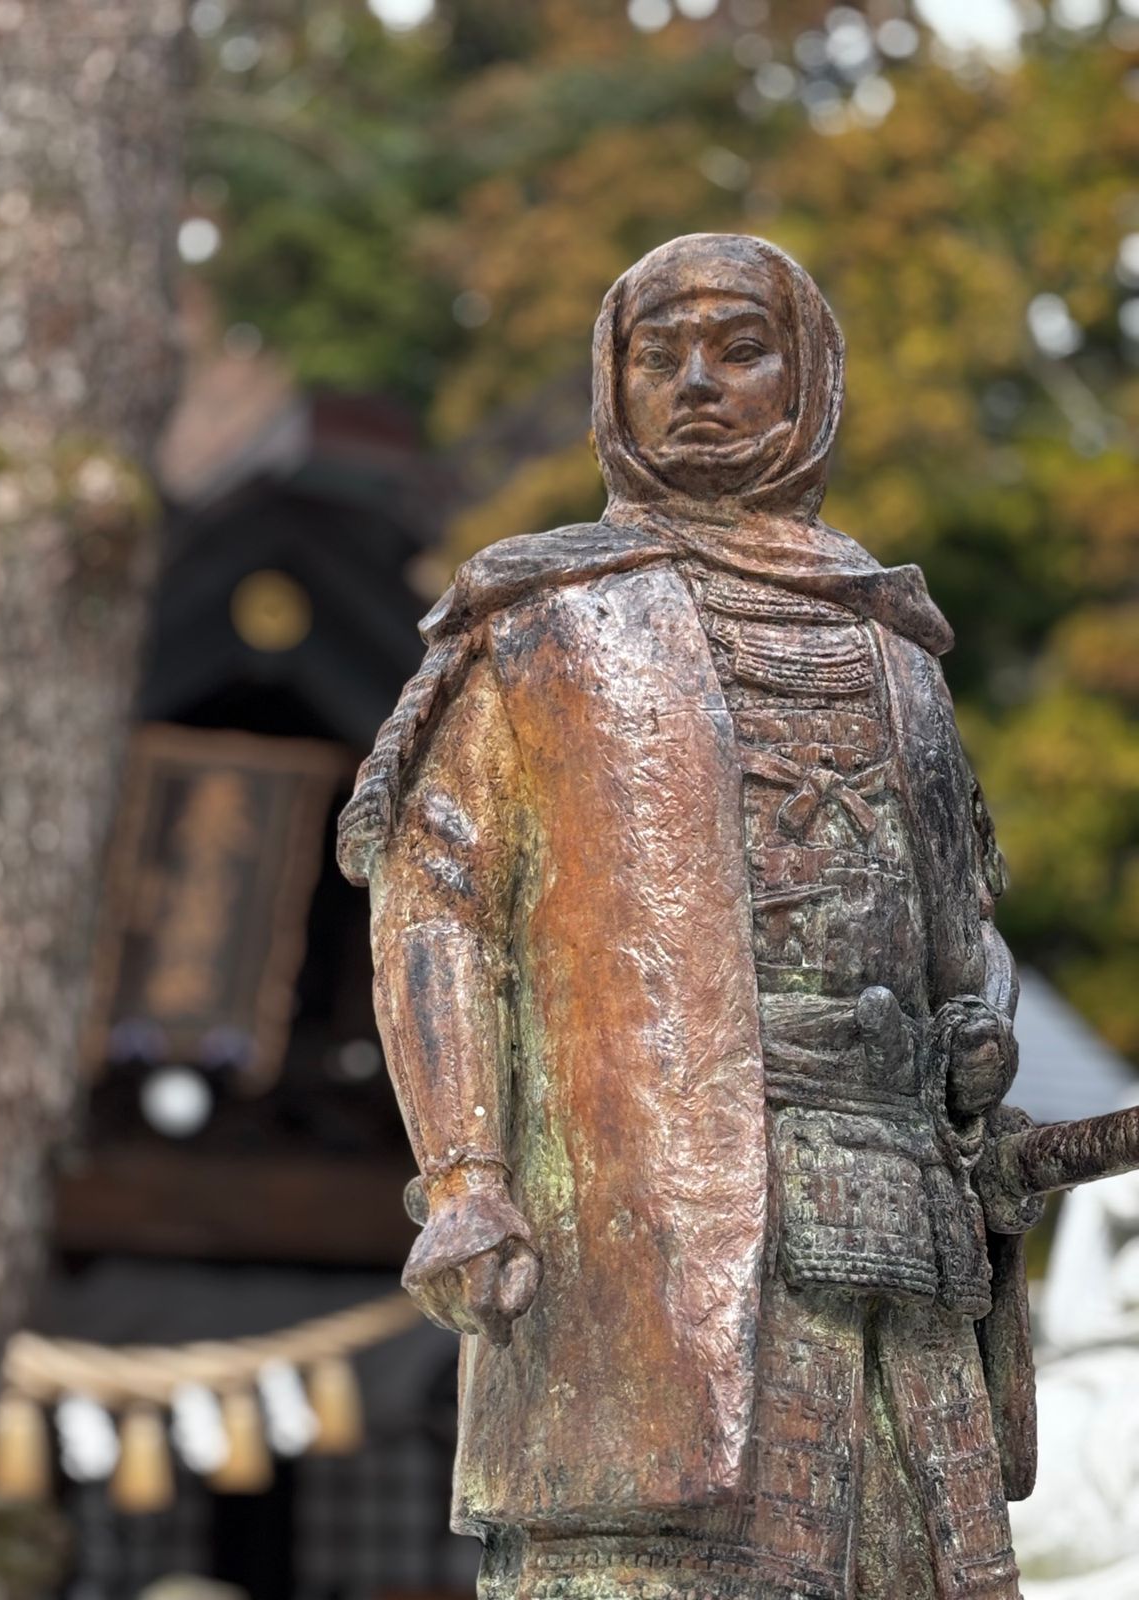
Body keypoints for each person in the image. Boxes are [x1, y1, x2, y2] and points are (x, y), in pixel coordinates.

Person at [338, 234, 1039, 1600]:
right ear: (613, 386)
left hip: (912, 1237)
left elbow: (966, 917)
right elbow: (436, 899)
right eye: (659, 356)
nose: (697, 383)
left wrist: (981, 1032)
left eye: (741, 347)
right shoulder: (544, 623)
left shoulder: (898, 647)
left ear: (809, 378)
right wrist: (471, 1176)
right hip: (650, 1237)